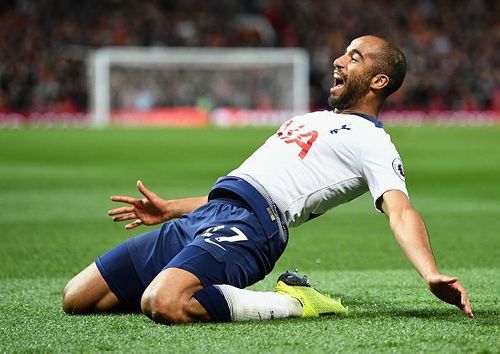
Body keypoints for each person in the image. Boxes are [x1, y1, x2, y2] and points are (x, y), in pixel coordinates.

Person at [62, 35, 474, 323]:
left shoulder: (375, 144)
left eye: (355, 56)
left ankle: (294, 302)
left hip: (254, 227)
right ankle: (198, 286)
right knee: (78, 298)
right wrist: (171, 208)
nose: (339, 60)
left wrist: (430, 273)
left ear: (379, 81)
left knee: (164, 302)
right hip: (212, 213)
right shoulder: (310, 119)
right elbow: (248, 183)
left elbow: (400, 211)